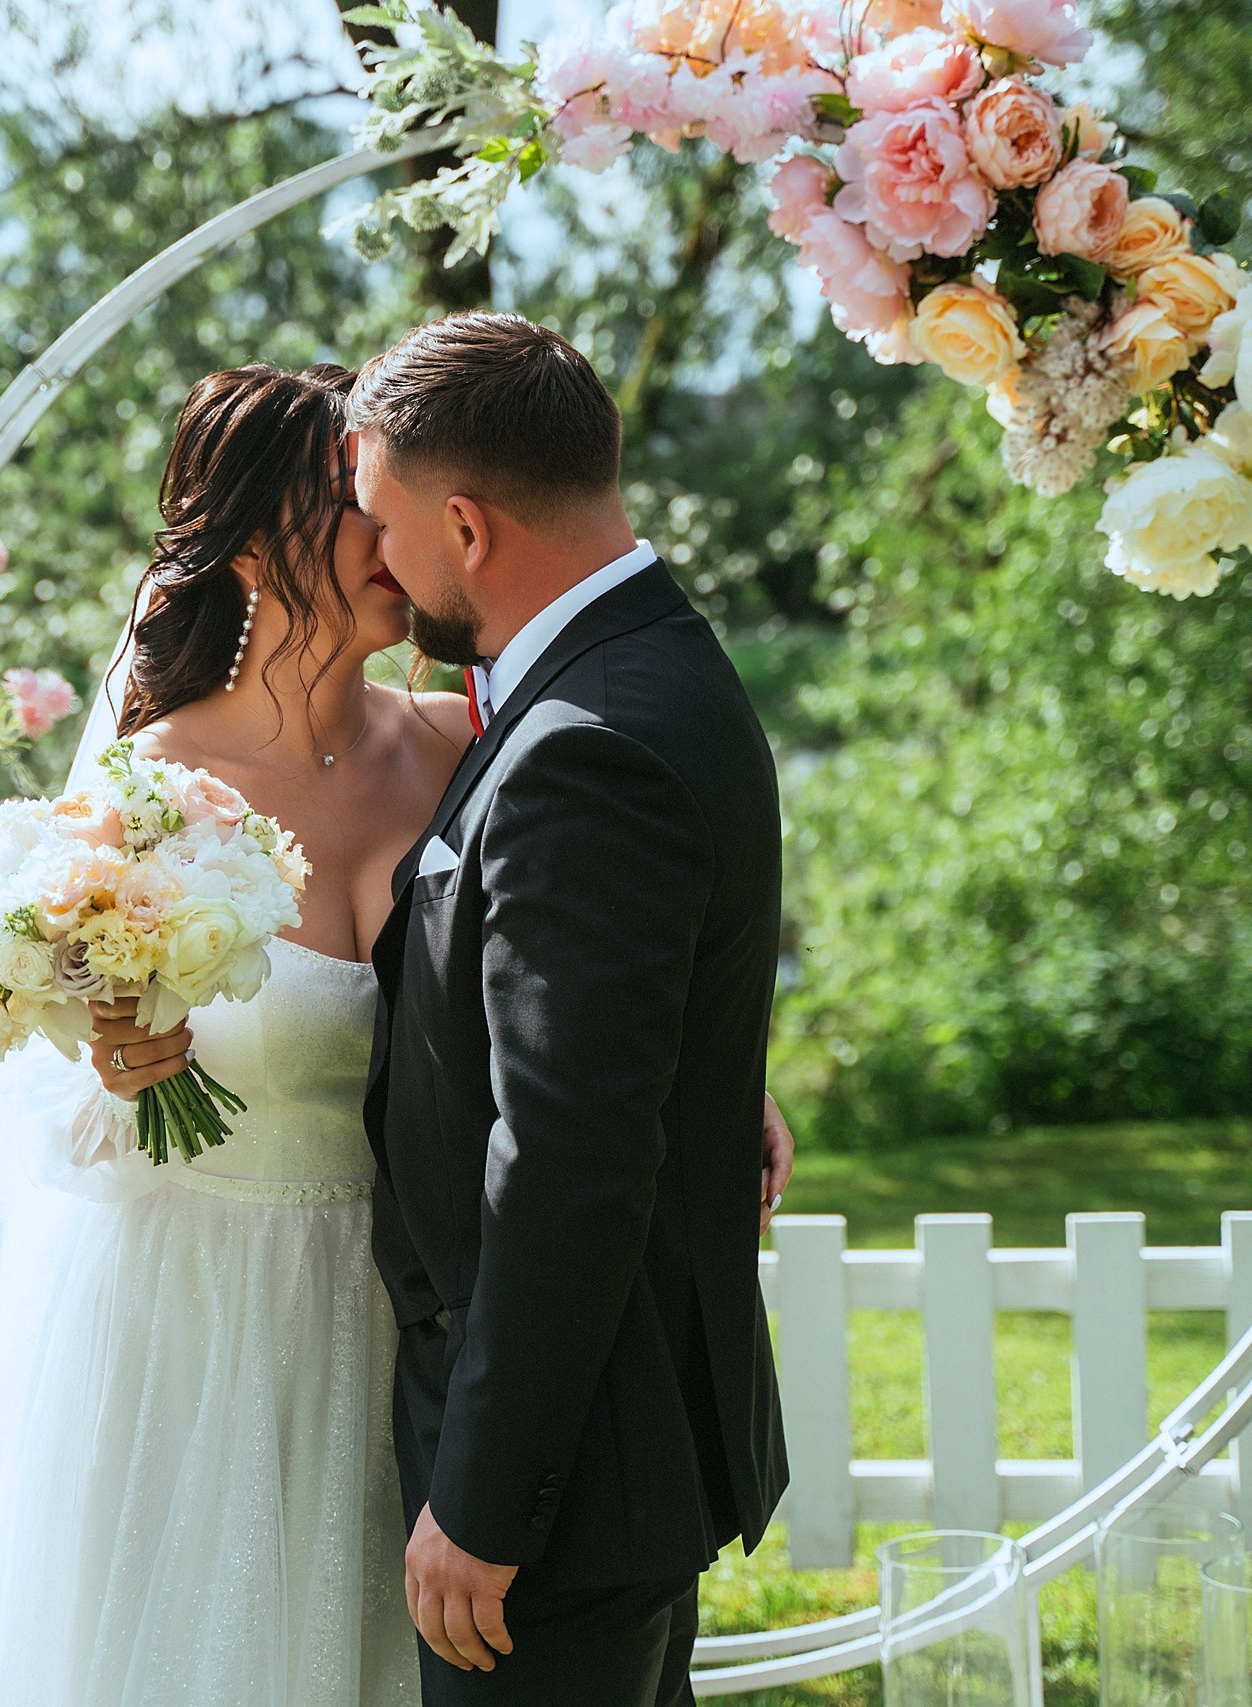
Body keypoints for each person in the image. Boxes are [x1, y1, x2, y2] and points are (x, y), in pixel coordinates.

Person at [0, 362, 468, 1707]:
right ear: (250, 543)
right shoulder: (146, 799)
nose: (392, 527)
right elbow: (48, 1110)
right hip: (188, 1326)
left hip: (401, 1317)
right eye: (354, 500)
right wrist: (115, 1070)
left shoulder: (457, 747)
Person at [349, 312, 792, 1707]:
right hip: (616, 1454)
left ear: (465, 527)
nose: (377, 560)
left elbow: (568, 1156)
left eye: (383, 523)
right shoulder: (650, 666)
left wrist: (487, 1502)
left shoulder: (583, 744)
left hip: (565, 1488)